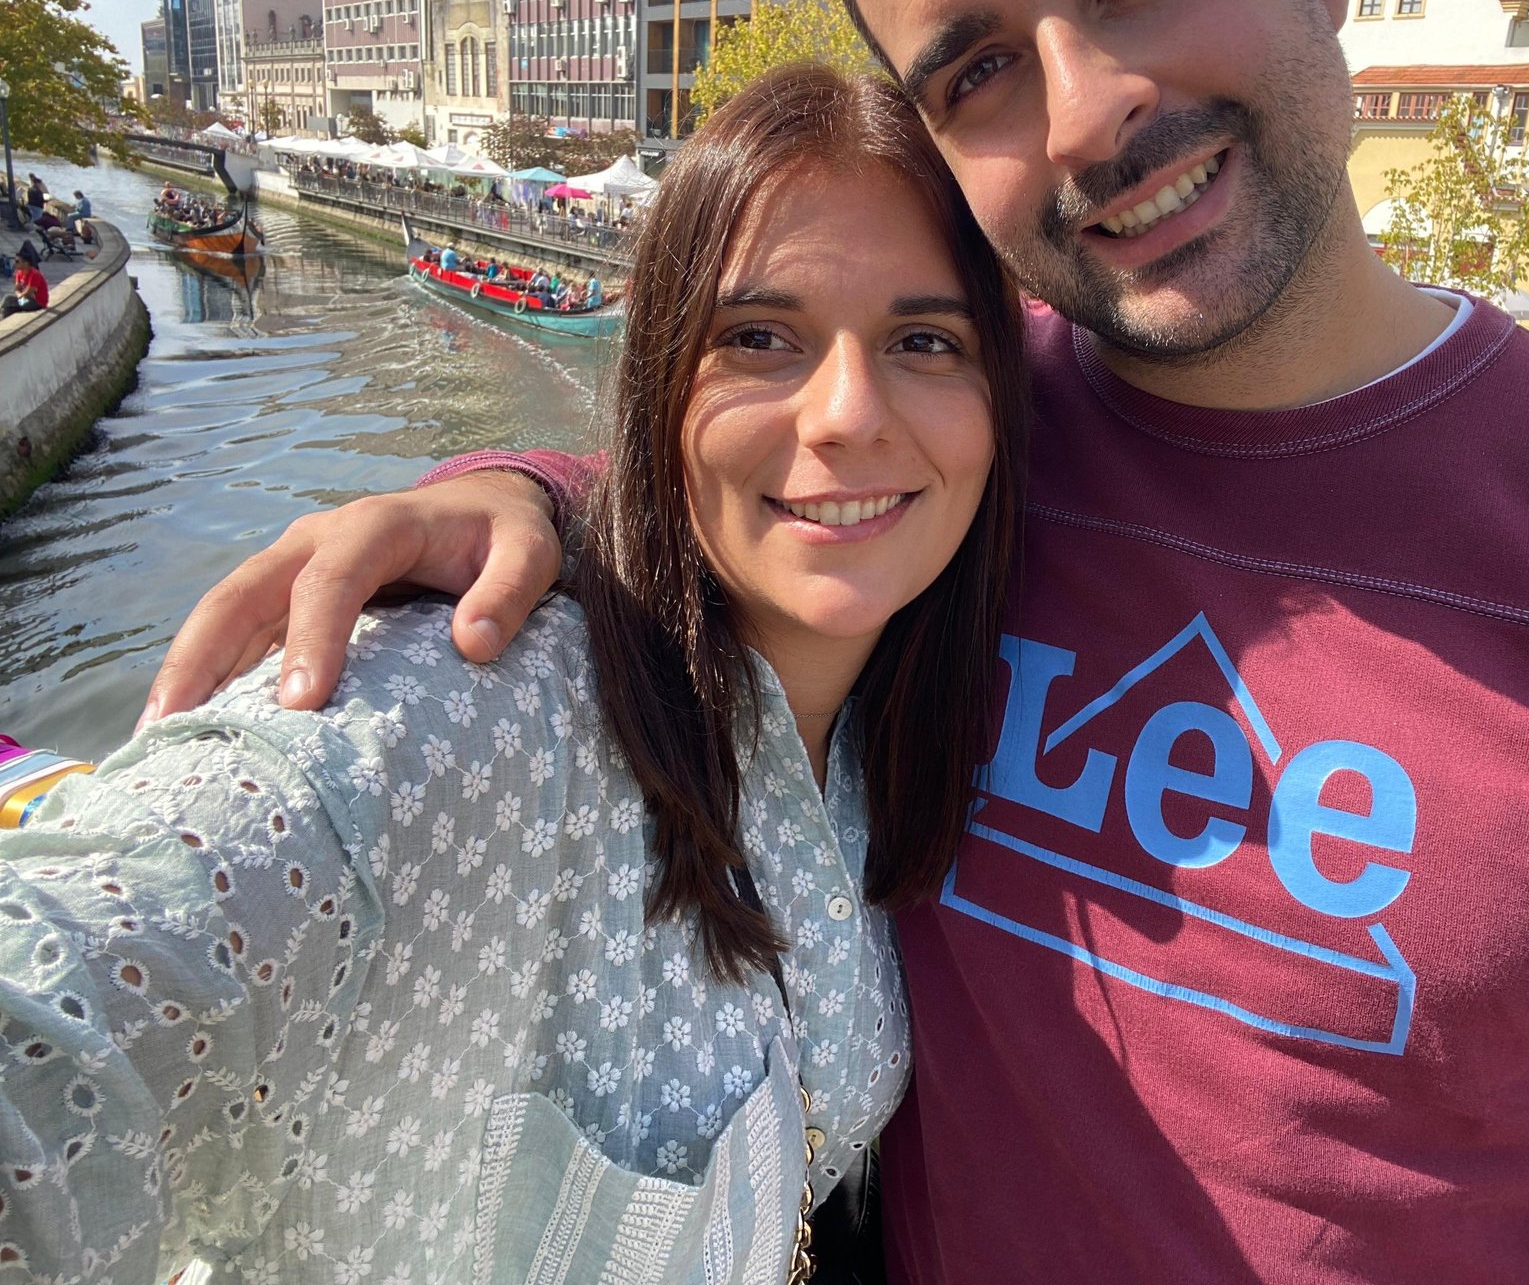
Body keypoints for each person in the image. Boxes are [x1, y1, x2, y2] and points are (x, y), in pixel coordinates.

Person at [144, 0, 1529, 1280]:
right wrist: (520, 493)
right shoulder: (951, 439)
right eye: (976, 68)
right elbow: (743, 468)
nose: (1082, 116)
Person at [0, 63, 1027, 1282]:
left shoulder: (880, 737)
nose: (849, 414)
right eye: (760, 337)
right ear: (659, 381)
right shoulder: (468, 707)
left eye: (924, 339)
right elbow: (64, 998)